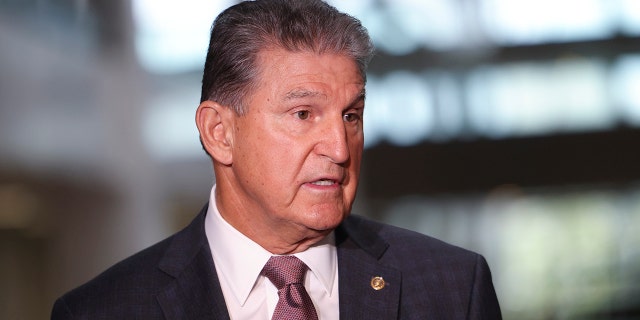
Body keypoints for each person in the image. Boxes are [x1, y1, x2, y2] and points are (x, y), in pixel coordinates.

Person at [51, 0, 502, 319]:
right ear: (219, 133)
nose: (340, 149)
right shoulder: (102, 311)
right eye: (303, 114)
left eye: (351, 115)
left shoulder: (452, 288)